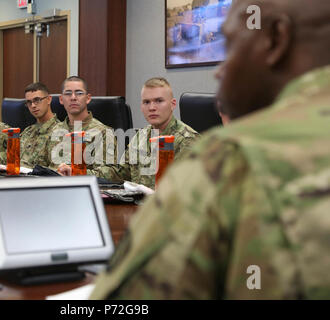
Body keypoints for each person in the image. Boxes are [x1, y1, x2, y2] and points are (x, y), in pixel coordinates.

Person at [91, 0, 330, 299]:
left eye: (229, 47)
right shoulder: (140, 136)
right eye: (147, 102)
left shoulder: (229, 158)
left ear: (276, 38)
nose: (219, 72)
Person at [58, 77, 199, 190]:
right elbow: (119, 174)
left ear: (172, 104)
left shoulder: (187, 140)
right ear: (141, 106)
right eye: (146, 102)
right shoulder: (140, 136)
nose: (152, 107)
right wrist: (77, 173)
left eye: (159, 101)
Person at [0, 82, 60, 167]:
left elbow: (55, 172)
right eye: (29, 102)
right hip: (16, 177)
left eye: (37, 100)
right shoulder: (28, 131)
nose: (33, 105)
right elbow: (11, 155)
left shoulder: (59, 131)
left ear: (49, 99)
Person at [48, 76, 116, 171]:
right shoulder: (54, 130)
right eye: (68, 94)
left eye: (79, 93)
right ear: (61, 100)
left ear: (88, 98)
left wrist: (76, 173)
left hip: (83, 184)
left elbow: (110, 173)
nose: (73, 98)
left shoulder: (103, 132)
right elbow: (42, 166)